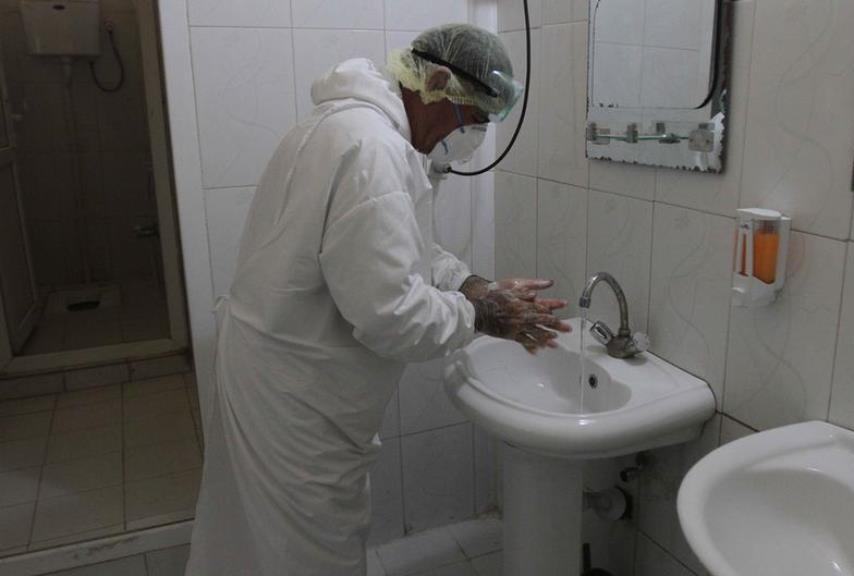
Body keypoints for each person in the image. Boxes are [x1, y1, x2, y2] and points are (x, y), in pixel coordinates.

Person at [185, 24, 570, 576]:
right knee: (310, 553)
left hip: (277, 373)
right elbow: (392, 315)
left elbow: (396, 246)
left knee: (256, 546)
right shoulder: (374, 150)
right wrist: (483, 314)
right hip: (296, 398)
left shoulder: (350, 128)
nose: (473, 138)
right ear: (436, 83)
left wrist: (468, 284)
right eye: (476, 119)